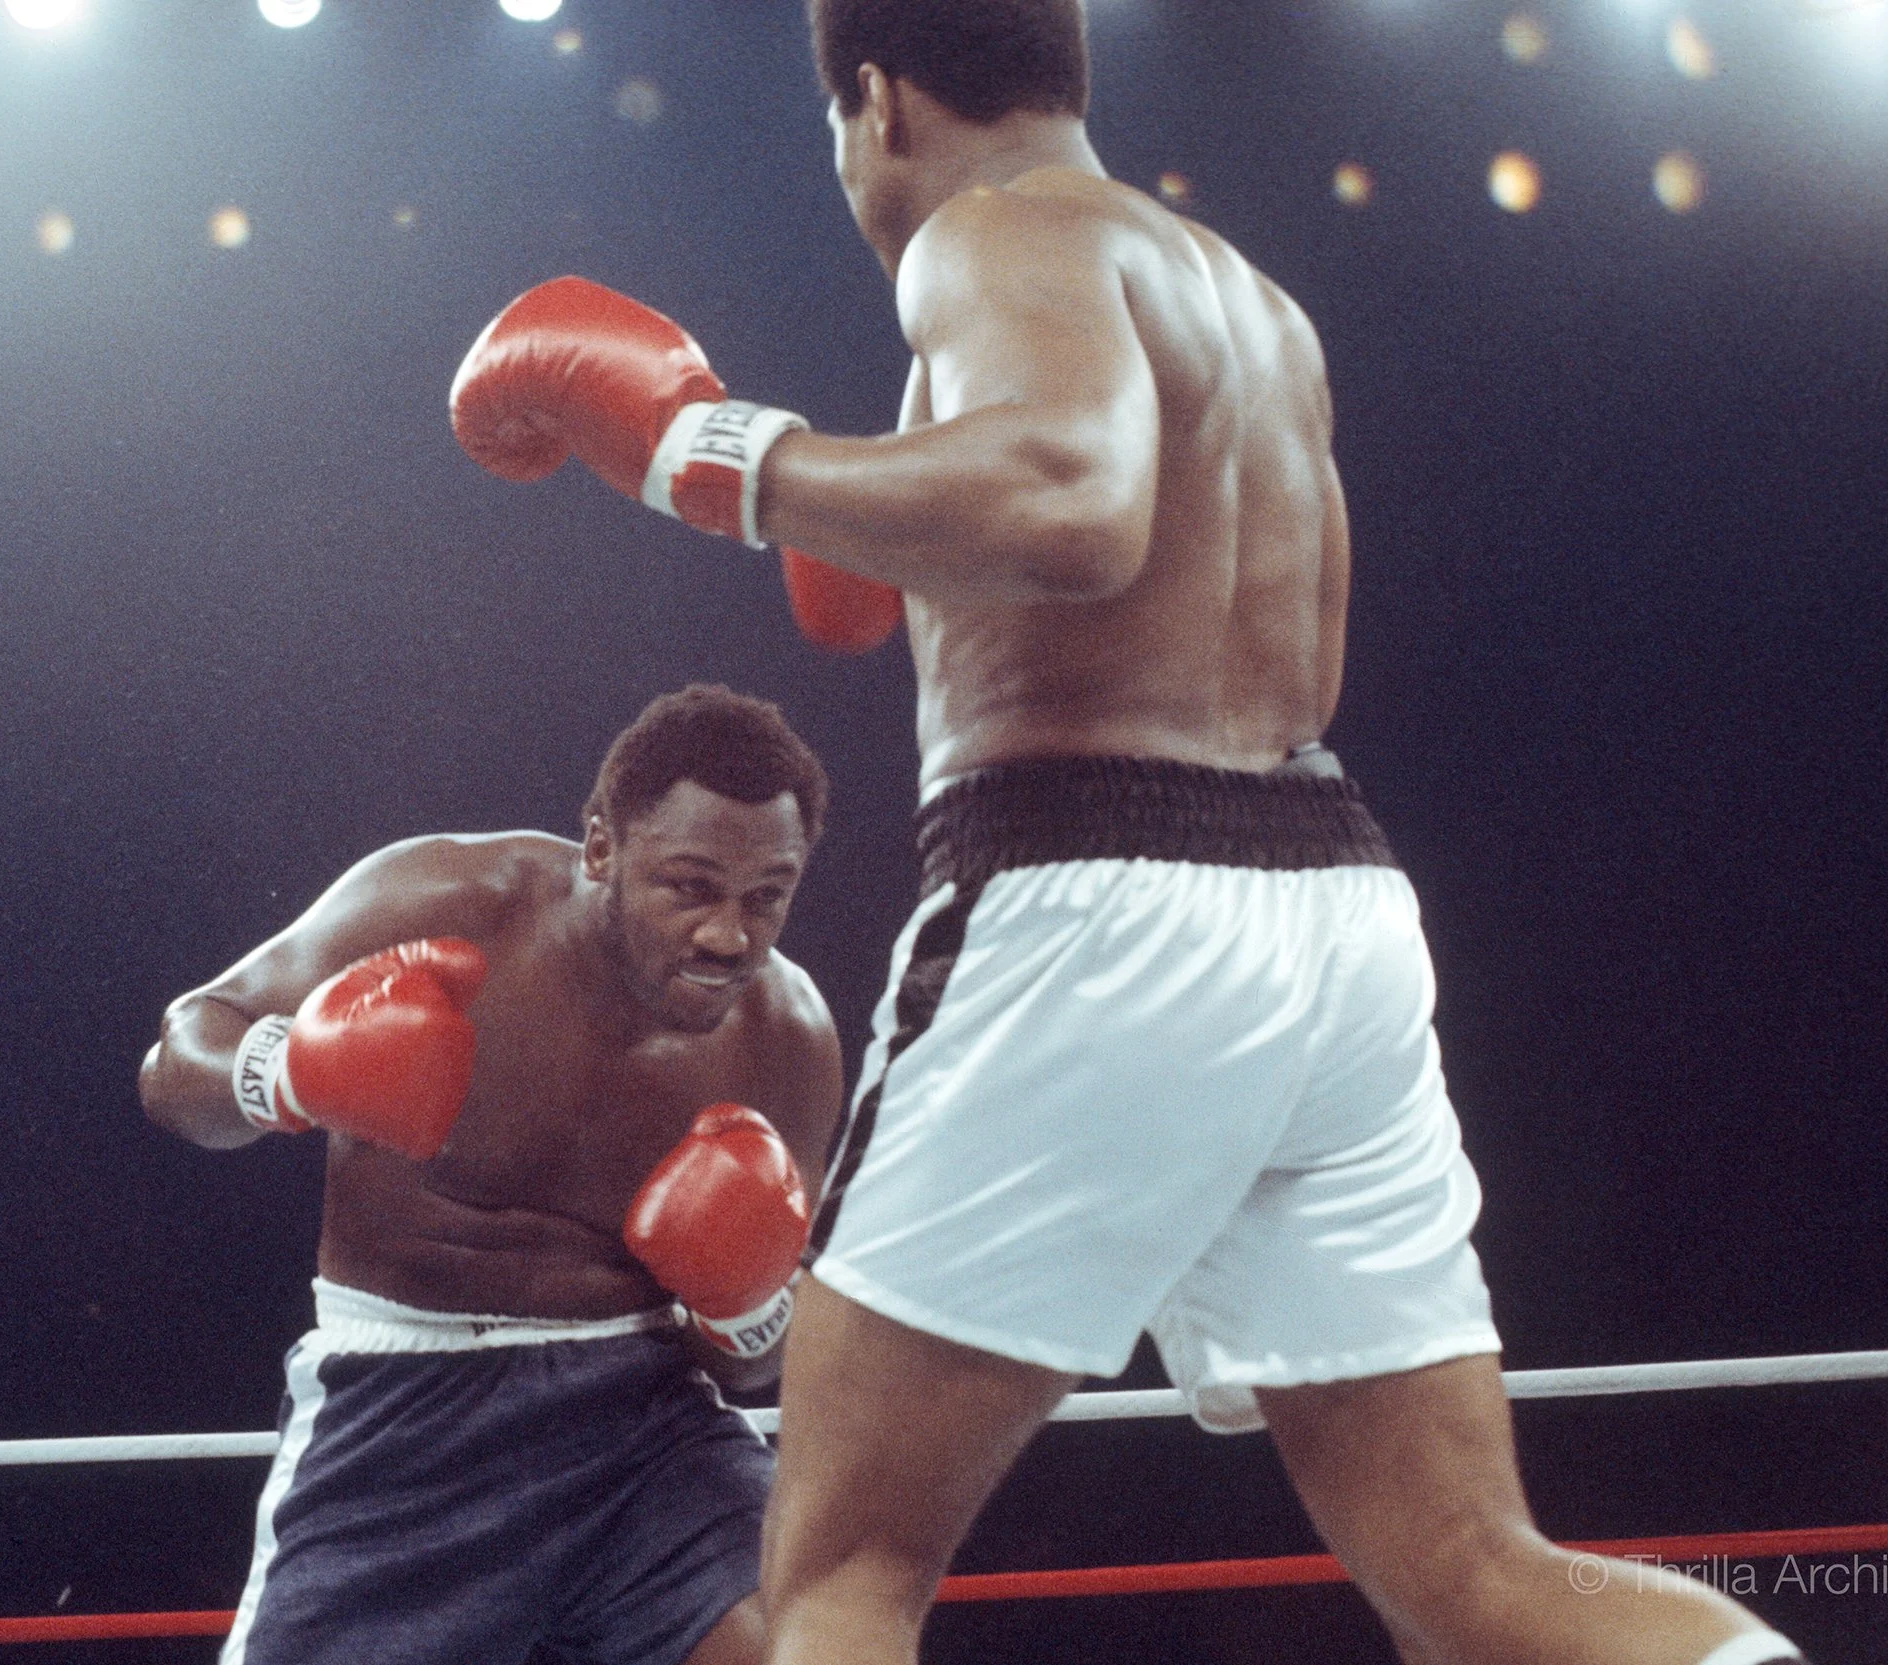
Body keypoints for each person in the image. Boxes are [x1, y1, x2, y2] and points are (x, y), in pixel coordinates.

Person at [443, 5, 1810, 1662]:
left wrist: (710, 457)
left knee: (834, 1579)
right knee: (1472, 1573)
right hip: (1335, 910)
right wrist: (877, 498)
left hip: (1099, 898)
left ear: (874, 101)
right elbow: (1269, 638)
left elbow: (1074, 507)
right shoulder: (1250, 304)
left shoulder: (991, 234)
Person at [139, 684, 846, 1665]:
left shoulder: (788, 1041)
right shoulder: (453, 904)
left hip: (648, 1436)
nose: (729, 936)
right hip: (405, 1424)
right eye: (690, 886)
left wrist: (750, 1303)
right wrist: (291, 1070)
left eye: (765, 896)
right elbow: (177, 1063)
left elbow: (752, 1365)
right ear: (602, 849)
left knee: (820, 1641)